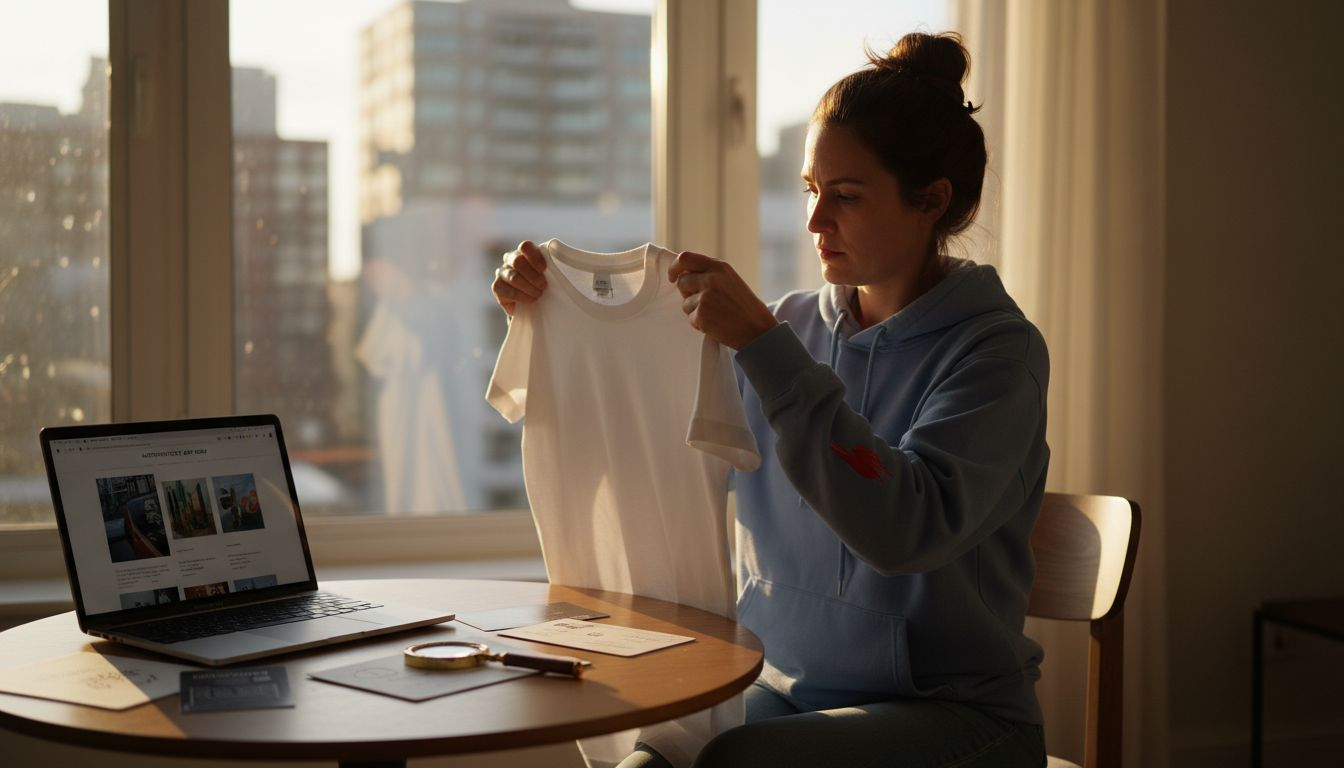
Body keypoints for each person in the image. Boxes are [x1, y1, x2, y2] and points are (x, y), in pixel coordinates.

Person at [492, 31, 1048, 768]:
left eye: (846, 197)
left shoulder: (995, 353)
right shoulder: (787, 328)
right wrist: (550, 319)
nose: (816, 222)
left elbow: (904, 530)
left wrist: (763, 347)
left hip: (956, 714)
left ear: (931, 201)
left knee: (735, 764)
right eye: (814, 190)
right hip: (783, 688)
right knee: (645, 758)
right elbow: (653, 453)